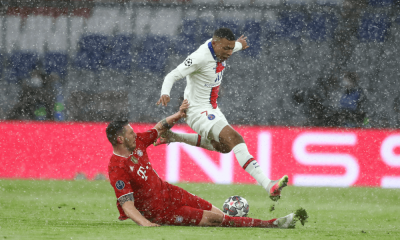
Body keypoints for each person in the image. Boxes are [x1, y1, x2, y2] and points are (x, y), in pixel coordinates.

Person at [106, 100, 308, 227]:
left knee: (217, 214)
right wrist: (145, 223)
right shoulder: (117, 168)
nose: (136, 135)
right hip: (160, 211)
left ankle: (244, 222)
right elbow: (127, 205)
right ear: (120, 140)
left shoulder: (139, 142)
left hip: (170, 192)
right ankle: (272, 224)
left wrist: (178, 115)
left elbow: (159, 128)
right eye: (131, 133)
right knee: (215, 221)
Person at [155, 28, 288, 201]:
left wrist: (240, 44)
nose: (229, 52)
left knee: (224, 147)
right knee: (236, 139)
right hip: (196, 111)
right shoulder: (199, 57)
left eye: (231, 48)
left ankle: (173, 137)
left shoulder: (224, 48)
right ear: (215, 43)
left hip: (212, 108)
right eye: (226, 48)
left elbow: (234, 46)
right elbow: (171, 75)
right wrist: (165, 92)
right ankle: (269, 185)